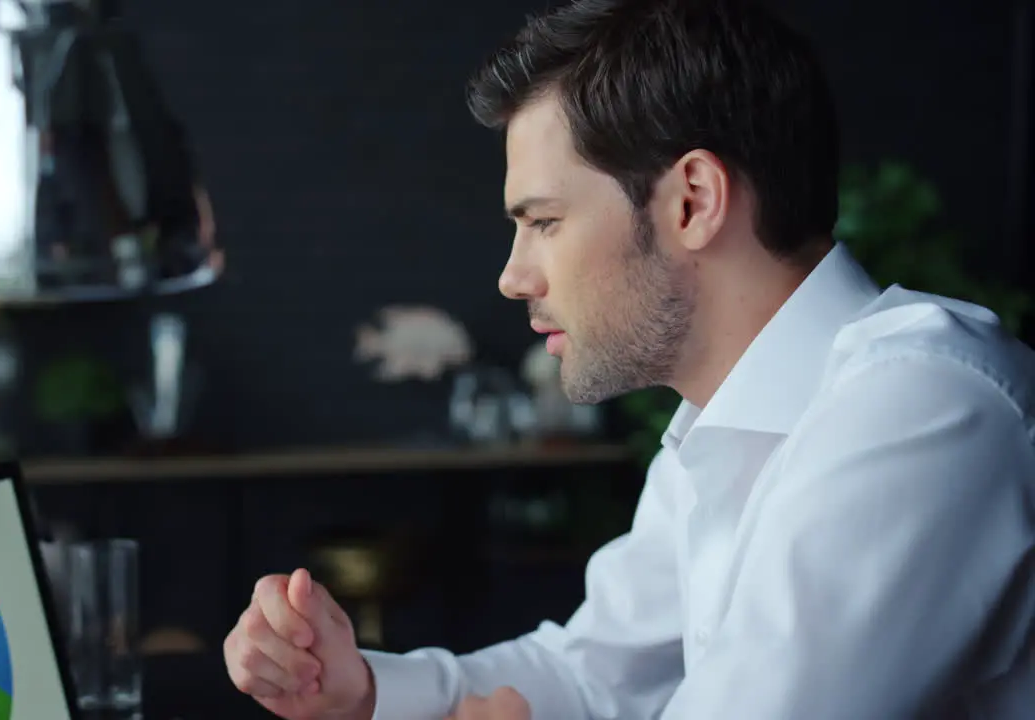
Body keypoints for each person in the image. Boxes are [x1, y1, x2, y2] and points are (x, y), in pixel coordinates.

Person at [223, 0, 1035, 717]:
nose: (512, 277)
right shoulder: (712, 427)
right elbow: (595, 679)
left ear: (693, 201)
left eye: (543, 221)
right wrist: (364, 691)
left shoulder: (922, 404)